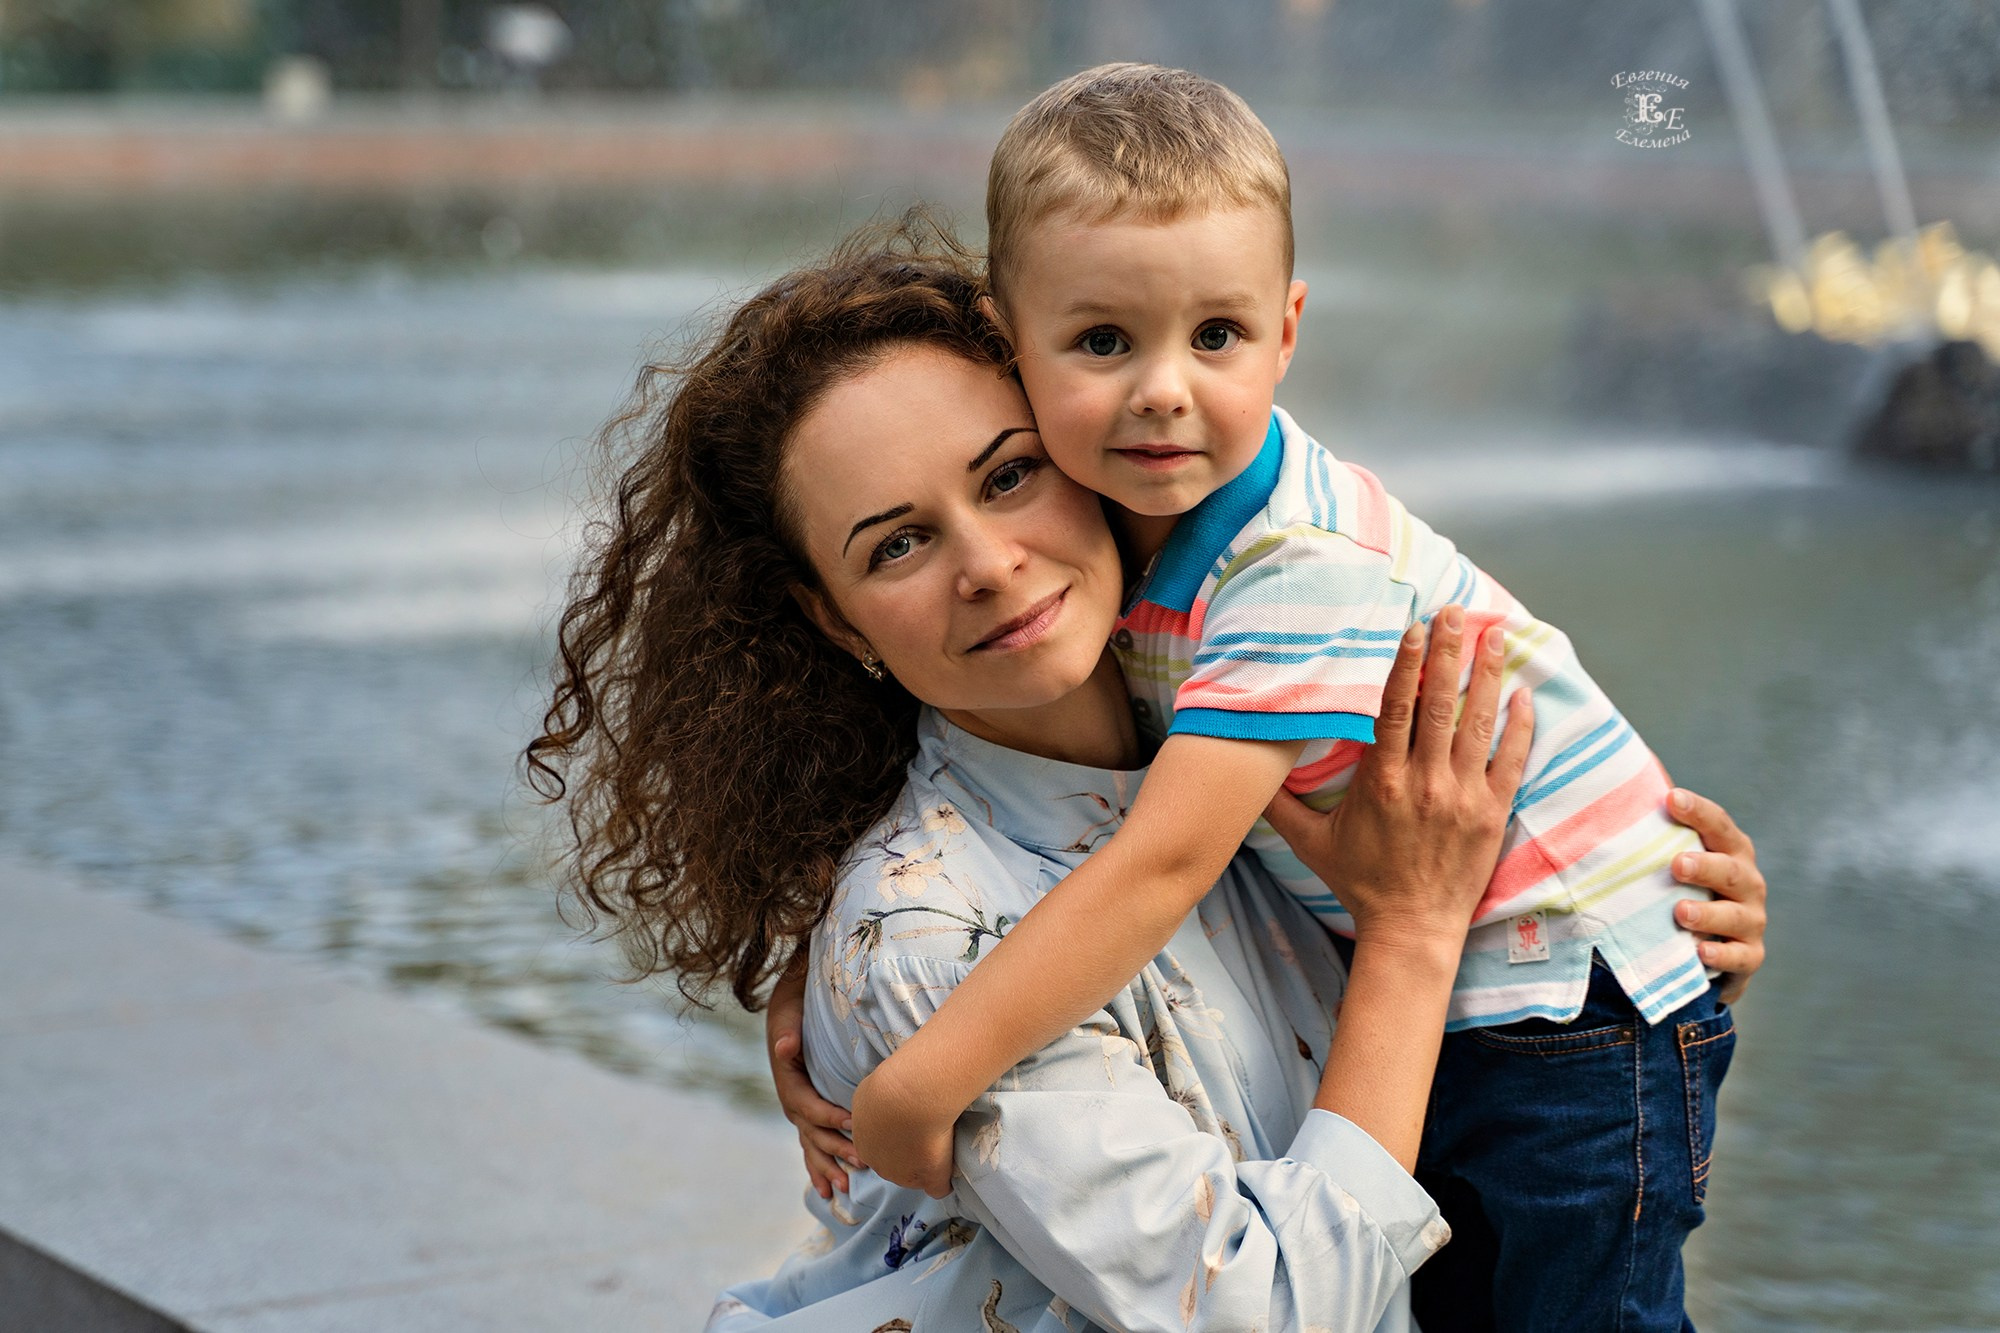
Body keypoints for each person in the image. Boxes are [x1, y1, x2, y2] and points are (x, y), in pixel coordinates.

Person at [526, 224, 1769, 1331]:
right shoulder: (932, 940)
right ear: (837, 619)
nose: (989, 562)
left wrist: (1631, 907)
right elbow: (1270, 1315)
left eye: (1007, 472)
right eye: (897, 543)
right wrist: (1413, 929)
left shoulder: (1225, 708)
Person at [851, 64, 1750, 1331]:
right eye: (1103, 341)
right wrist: (822, 976)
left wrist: (922, 1079)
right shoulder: (1135, 517)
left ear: (1286, 329)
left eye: (1213, 337)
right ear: (1014, 340)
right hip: (1494, 991)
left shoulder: (1291, 565)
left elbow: (1167, 858)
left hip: (1572, 1014)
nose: (1161, 388)